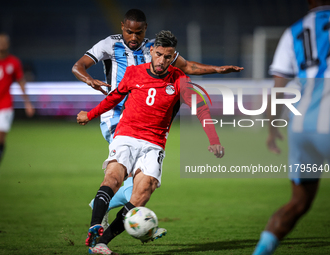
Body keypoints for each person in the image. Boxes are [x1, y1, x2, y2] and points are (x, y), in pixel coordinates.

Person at [72, 8, 243, 229]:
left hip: (147, 116)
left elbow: (188, 66)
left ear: (145, 31)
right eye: (129, 32)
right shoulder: (108, 44)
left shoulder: (157, 47)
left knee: (142, 181)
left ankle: (112, 210)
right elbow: (78, 66)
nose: (134, 38)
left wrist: (217, 70)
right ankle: (132, 222)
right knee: (132, 179)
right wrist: (90, 80)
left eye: (139, 33)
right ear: (122, 28)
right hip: (116, 115)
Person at [253, 1, 330, 254]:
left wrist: (273, 128)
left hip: (300, 125)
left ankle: (262, 250)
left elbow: (278, 89)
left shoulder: (294, 31)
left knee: (299, 202)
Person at [0, 33, 35, 180]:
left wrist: (27, 103)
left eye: (4, 42)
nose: (1, 44)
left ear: (8, 44)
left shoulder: (14, 62)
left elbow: (21, 82)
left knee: (1, 136)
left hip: (4, 105)